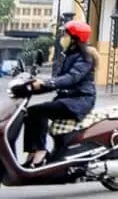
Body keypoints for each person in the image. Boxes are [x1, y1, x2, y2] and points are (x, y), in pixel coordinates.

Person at [22, 21, 98, 168]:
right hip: (69, 99)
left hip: (80, 100)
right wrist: (34, 86)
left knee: (38, 112)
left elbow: (71, 78)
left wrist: (46, 83)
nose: (63, 38)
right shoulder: (70, 55)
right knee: (30, 112)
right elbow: (59, 81)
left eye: (65, 34)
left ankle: (41, 151)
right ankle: (32, 151)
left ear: (74, 38)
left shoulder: (84, 58)